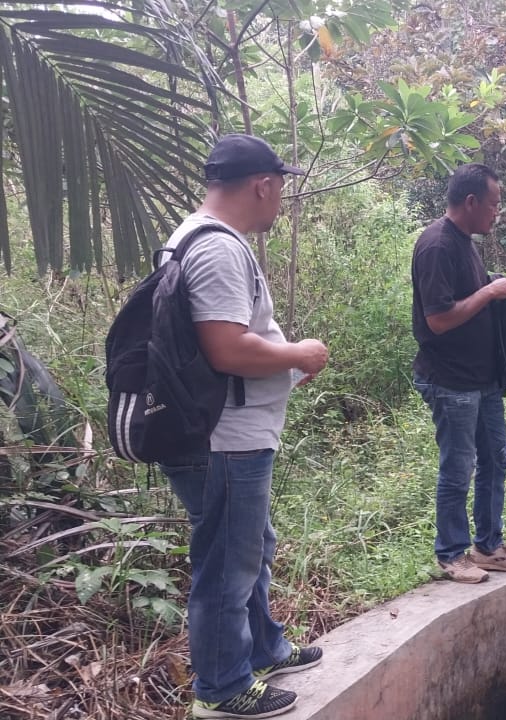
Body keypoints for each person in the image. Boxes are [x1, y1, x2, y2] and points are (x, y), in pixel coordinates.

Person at [159, 133, 329, 719]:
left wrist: (279, 366)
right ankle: (222, 687)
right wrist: (298, 354)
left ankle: (263, 646)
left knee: (251, 545)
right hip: (224, 439)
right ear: (263, 185)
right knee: (228, 563)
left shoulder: (191, 239)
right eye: (279, 188)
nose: (279, 200)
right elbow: (227, 349)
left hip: (228, 432)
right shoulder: (219, 249)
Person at [411, 163, 506, 583]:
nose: (497, 212)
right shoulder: (437, 246)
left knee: (497, 458)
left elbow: (467, 293)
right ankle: (451, 553)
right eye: (494, 204)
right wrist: (489, 291)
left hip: (483, 379)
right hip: (451, 379)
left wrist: (498, 282)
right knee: (458, 465)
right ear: (470, 202)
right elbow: (439, 319)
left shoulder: (465, 243)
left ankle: (489, 546)